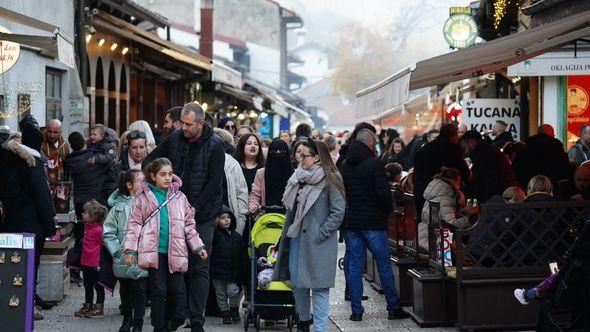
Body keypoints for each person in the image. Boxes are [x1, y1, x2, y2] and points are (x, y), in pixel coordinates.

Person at [143, 102, 225, 332]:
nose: (184, 128)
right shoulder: (175, 138)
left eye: (189, 124)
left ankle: (197, 319)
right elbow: (150, 160)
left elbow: (214, 182)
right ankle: (176, 314)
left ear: (201, 123)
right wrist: (154, 188)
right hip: (172, 210)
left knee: (199, 265)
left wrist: (196, 207)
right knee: (175, 264)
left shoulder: (216, 145)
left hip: (203, 214)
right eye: (182, 123)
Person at [124, 158, 208, 332]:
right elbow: (134, 225)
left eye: (170, 174)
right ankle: (159, 327)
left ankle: (173, 322)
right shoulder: (143, 198)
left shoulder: (180, 197)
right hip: (154, 252)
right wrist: (130, 250)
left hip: (176, 252)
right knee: (159, 291)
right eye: (163, 174)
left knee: (178, 292)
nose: (168, 178)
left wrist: (198, 246)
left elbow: (189, 225)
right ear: (153, 176)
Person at [273, 139, 345, 332]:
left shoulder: (331, 178)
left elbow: (338, 211)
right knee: (297, 283)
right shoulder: (298, 176)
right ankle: (304, 320)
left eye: (304, 155)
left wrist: (321, 233)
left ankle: (320, 328)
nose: (301, 159)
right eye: (299, 155)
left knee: (320, 287)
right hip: (297, 238)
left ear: (317, 157)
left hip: (318, 241)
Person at [339, 129, 408, 321]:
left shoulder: (345, 165)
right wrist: (385, 213)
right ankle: (393, 307)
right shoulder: (375, 164)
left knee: (354, 266)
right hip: (374, 224)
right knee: (384, 265)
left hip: (352, 223)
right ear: (370, 143)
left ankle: (356, 311)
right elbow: (384, 196)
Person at [0, 127, 57, 320]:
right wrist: (50, 225)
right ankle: (28, 307)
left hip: (10, 222)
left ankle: (11, 305)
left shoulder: (6, 161)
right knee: (30, 267)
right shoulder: (31, 163)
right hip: (32, 226)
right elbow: (42, 198)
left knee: (11, 267)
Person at [103, 169, 149, 331]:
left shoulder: (149, 204)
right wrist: (117, 251)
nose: (145, 184)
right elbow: (108, 231)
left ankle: (138, 322)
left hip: (143, 255)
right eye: (140, 181)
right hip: (124, 256)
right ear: (130, 185)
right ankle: (127, 318)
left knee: (141, 290)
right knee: (126, 290)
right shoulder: (118, 208)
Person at [413, 123, 470, 214]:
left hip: (421, 192)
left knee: (423, 222)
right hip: (443, 196)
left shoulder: (424, 149)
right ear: (453, 136)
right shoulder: (453, 150)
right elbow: (464, 173)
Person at [419, 167, 477, 251]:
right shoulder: (445, 199)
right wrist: (469, 216)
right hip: (438, 244)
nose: (460, 185)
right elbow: (451, 226)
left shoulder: (436, 194)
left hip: (426, 237)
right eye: (459, 181)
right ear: (455, 180)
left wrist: (462, 211)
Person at [209, 206, 246, 324]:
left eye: (229, 217)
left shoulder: (236, 236)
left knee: (232, 291)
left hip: (233, 272)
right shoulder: (214, 235)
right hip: (217, 272)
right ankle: (225, 312)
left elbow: (242, 255)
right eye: (222, 218)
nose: (226, 220)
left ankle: (234, 308)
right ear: (216, 220)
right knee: (220, 293)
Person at [460, 130, 519, 203]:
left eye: (464, 148)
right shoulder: (488, 151)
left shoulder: (483, 155)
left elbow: (482, 184)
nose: (464, 152)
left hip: (498, 200)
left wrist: (472, 205)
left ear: (471, 142)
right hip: (506, 195)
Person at [75, 199, 108, 318]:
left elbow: (104, 244)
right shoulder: (87, 227)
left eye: (85, 213)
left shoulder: (99, 230)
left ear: (93, 217)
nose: (82, 214)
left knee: (98, 285)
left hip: (95, 263)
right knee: (87, 284)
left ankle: (99, 306)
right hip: (85, 262)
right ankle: (88, 304)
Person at [513, 124, 570, 189]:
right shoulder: (559, 151)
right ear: (553, 136)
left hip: (529, 190)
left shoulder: (524, 150)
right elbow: (565, 177)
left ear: (537, 134)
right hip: (553, 192)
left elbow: (516, 172)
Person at [214, 127, 248, 234]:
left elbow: (241, 194)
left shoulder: (232, 164)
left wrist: (239, 226)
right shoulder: (200, 160)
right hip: (207, 220)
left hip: (228, 221)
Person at [249, 139, 292, 214]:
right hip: (266, 218)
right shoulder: (261, 173)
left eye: (281, 152)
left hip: (289, 217)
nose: (277, 155)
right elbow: (255, 194)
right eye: (274, 152)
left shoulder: (294, 174)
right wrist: (253, 205)